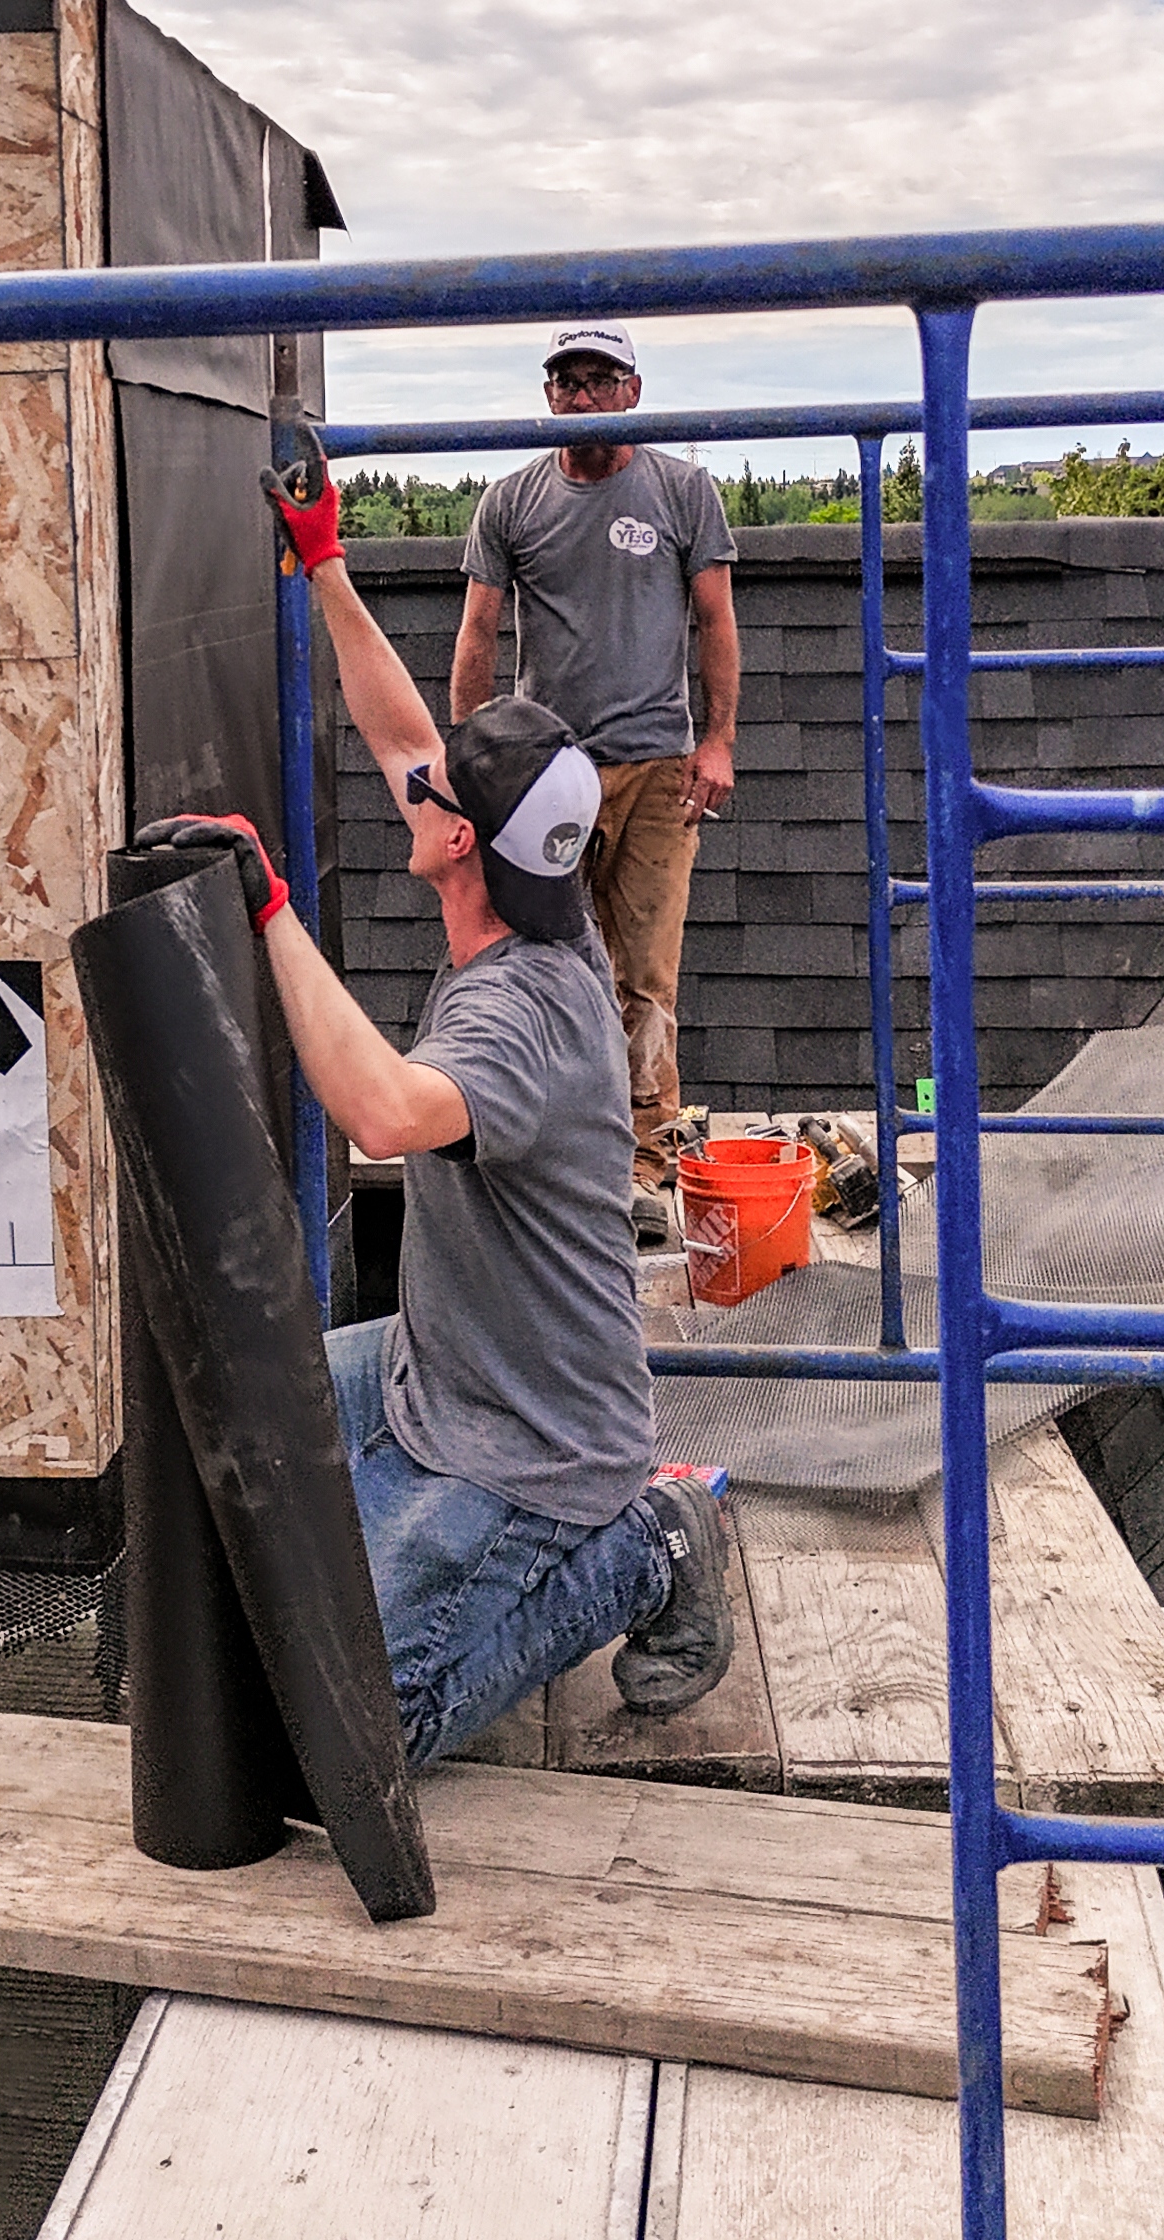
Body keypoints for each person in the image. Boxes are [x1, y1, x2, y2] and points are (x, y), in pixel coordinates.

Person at [134, 426, 733, 1771]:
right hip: (437, 1372)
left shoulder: (526, 1015)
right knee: (230, 1411)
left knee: (365, 1730)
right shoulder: (521, 886)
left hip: (532, 1445)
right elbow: (403, 725)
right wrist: (324, 560)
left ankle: (651, 1544)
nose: (416, 773)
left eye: (436, 791)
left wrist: (270, 912)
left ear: (458, 842)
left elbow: (387, 1119)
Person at [450, 323, 739, 1246]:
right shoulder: (513, 502)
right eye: (565, 382)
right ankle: (560, 1142)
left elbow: (717, 623)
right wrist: (470, 763)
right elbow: (479, 637)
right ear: (549, 398)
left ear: (632, 390)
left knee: (646, 972)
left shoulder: (682, 491)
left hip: (659, 766)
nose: (581, 396)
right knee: (545, 958)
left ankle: (645, 1164)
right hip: (551, 769)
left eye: (598, 379)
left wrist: (720, 741)